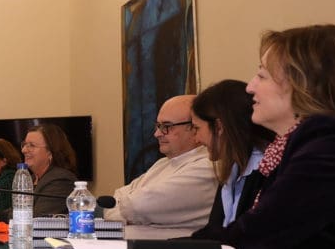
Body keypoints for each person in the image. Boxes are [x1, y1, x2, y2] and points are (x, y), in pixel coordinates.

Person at [219, 24, 335, 249]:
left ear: (302, 84)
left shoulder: (334, 139)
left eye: (262, 76)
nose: (250, 87)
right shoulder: (313, 140)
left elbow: (261, 233)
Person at [104, 95, 216, 231]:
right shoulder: (162, 164)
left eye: (167, 126)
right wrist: (130, 216)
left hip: (170, 245)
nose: (157, 134)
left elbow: (138, 206)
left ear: (194, 128)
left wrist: (128, 213)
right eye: (158, 126)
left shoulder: (207, 168)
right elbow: (112, 202)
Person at [188, 80, 273, 240]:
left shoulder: (268, 170)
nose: (196, 139)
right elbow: (213, 233)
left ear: (219, 127)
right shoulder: (233, 170)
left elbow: (251, 238)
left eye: (197, 128)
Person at [20, 124, 78, 216]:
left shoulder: (61, 180)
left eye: (31, 145)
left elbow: (37, 217)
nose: (24, 150)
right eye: (24, 145)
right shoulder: (32, 178)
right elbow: (18, 209)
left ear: (50, 152)